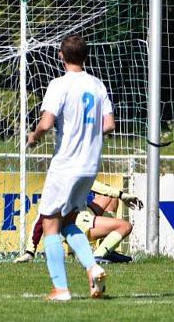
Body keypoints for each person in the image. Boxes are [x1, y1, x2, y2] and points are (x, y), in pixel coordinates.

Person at [26, 34, 115, 301]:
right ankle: (93, 266)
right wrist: (88, 133)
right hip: (89, 165)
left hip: (66, 165)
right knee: (67, 224)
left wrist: (34, 136)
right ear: (86, 56)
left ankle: (60, 288)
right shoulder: (98, 85)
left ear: (61, 56)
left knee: (50, 224)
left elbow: (47, 121)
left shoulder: (59, 84)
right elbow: (109, 125)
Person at [13, 180, 143, 264]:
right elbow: (41, 219)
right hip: (80, 224)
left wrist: (120, 195)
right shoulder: (63, 182)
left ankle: (106, 250)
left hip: (83, 214)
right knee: (125, 226)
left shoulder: (73, 172)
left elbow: (94, 185)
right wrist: (30, 251)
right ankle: (96, 257)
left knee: (110, 197)